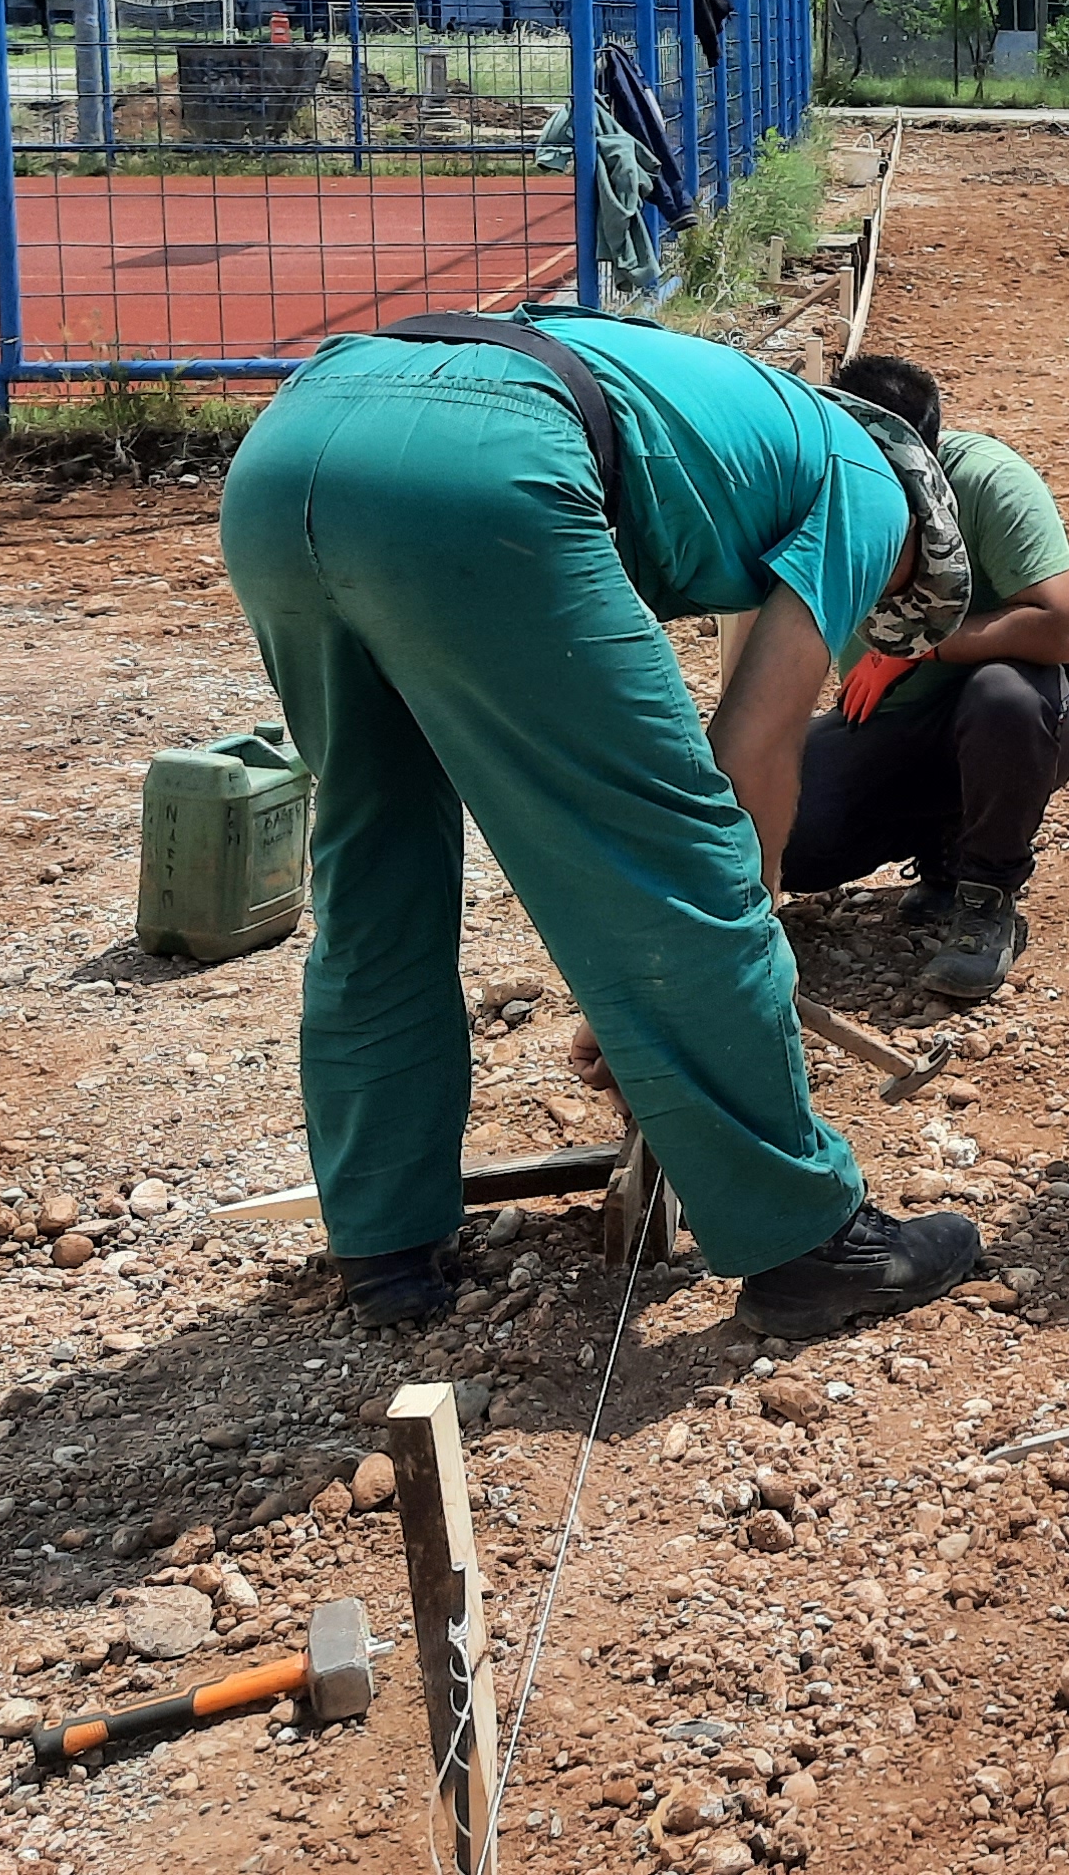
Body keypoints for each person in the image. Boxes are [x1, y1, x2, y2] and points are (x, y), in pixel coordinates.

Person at [215, 308, 988, 1341]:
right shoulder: (869, 488)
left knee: (375, 858)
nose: (865, 616)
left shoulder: (755, 427)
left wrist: (640, 1010)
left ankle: (385, 1242)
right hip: (486, 466)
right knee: (688, 854)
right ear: (920, 545)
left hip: (289, 450)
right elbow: (749, 757)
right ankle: (808, 1244)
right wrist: (704, 978)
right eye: (882, 607)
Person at [783, 351, 1069, 1002]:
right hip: (897, 722)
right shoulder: (825, 493)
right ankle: (941, 838)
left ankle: (986, 893)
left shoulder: (988, 482)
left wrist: (921, 648)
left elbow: (1065, 628)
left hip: (1023, 715)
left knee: (1002, 697)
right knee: (790, 831)